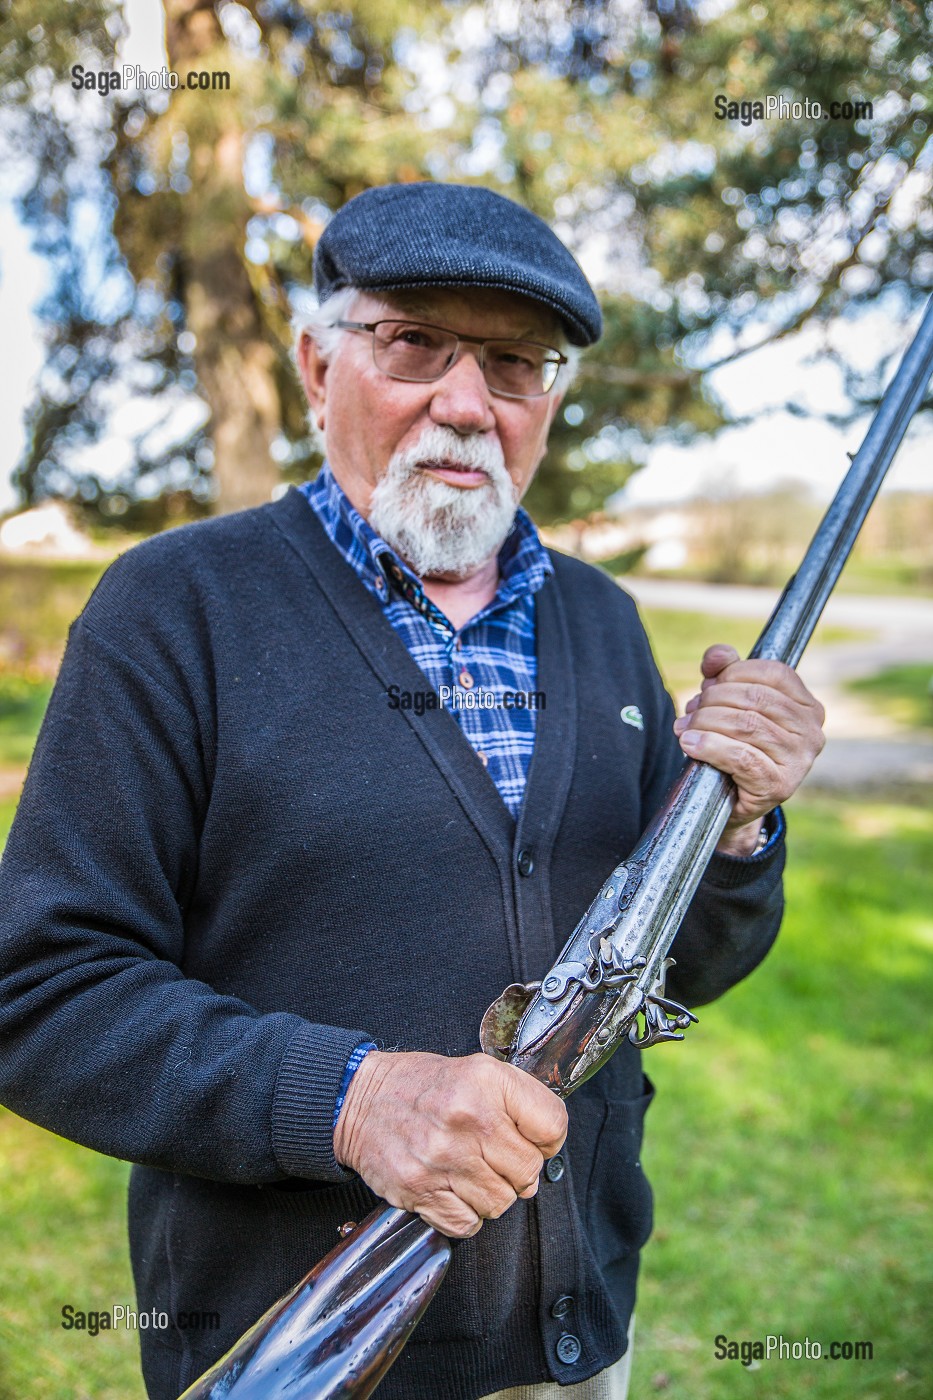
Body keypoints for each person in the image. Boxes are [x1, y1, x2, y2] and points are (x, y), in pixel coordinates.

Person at [0, 182, 825, 1400]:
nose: (464, 402)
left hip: (575, 1327)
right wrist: (349, 1099)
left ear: (547, 401)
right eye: (414, 342)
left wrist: (744, 824)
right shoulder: (171, 608)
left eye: (512, 363)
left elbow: (684, 965)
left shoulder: (604, 621)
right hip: (291, 1342)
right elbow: (41, 989)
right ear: (314, 363)